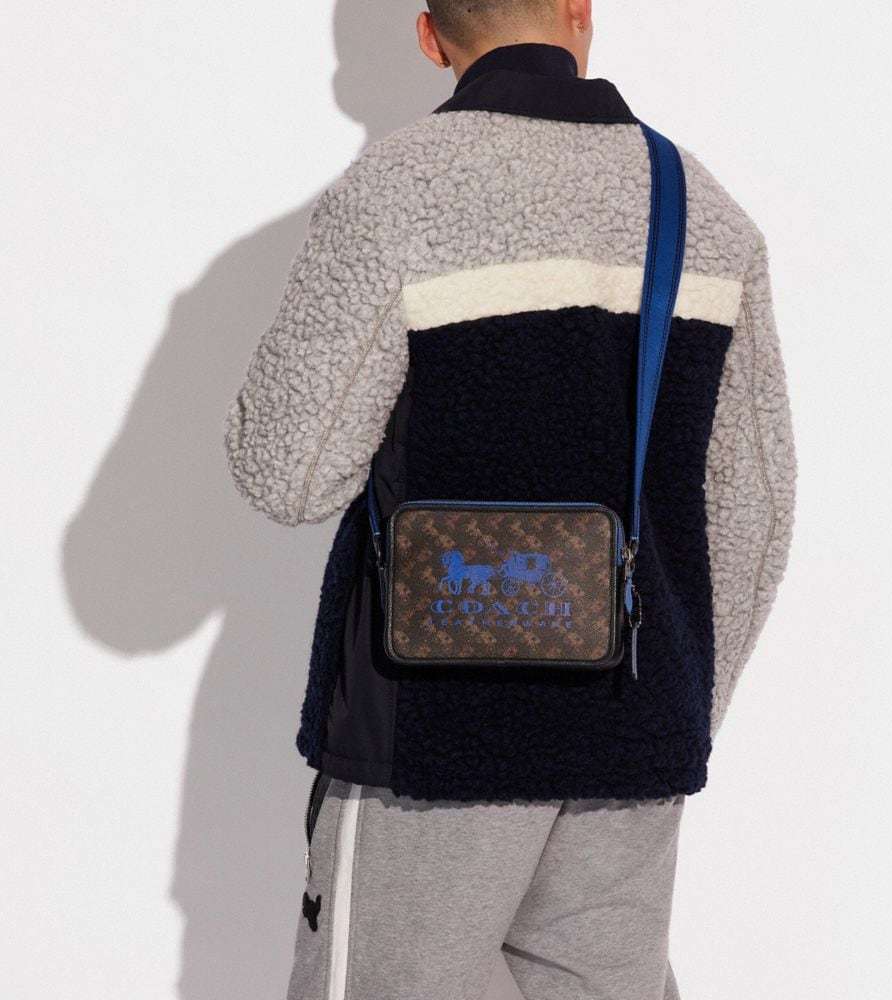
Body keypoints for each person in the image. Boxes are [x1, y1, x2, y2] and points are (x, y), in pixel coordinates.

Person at [223, 1, 796, 997]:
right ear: (580, 11)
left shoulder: (399, 190)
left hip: (429, 742)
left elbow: (288, 471)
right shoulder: (705, 211)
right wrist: (666, 704)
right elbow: (756, 513)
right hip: (630, 739)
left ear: (429, 35)